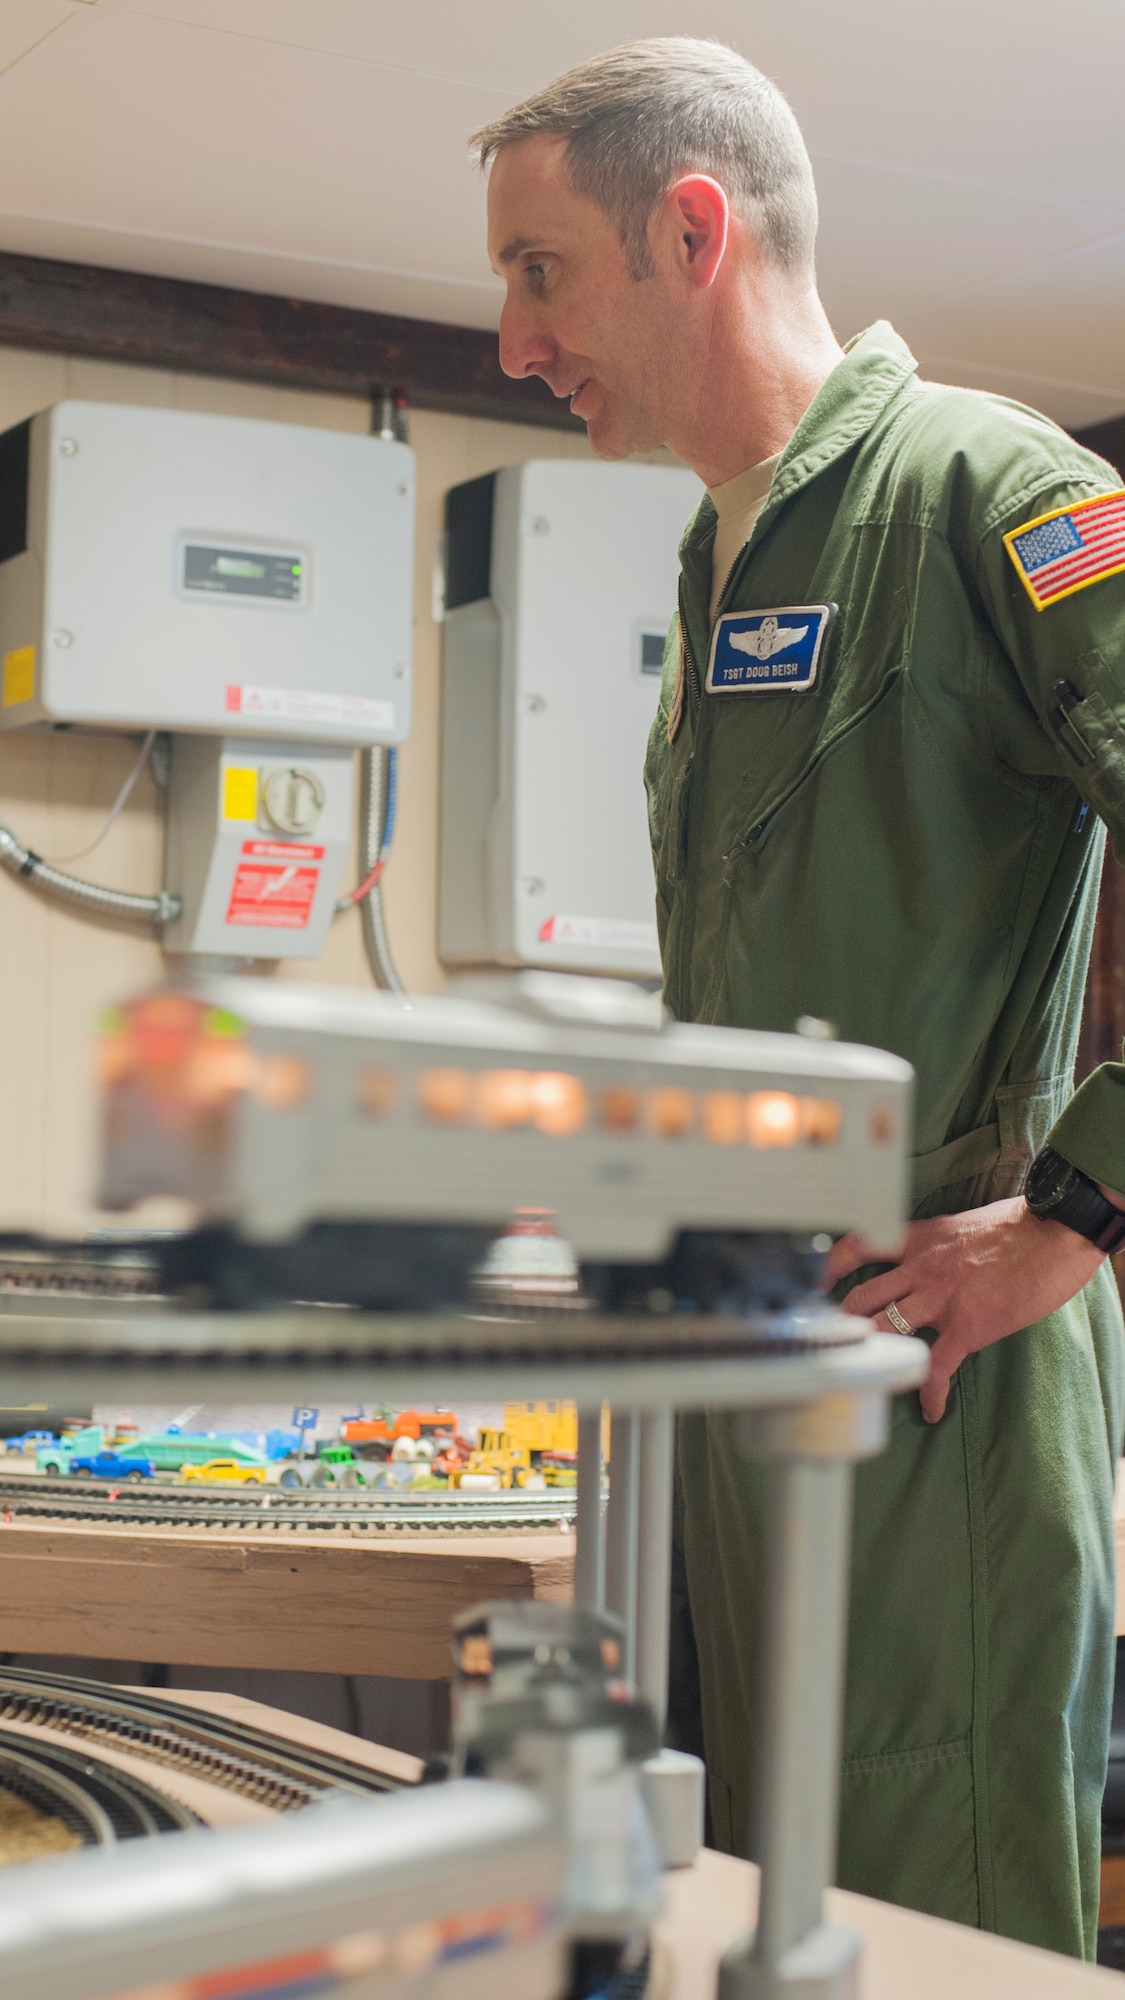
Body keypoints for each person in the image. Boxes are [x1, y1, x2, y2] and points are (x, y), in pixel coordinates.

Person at [472, 38, 1125, 1959]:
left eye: (538, 272)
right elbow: (811, 946)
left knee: (934, 1935)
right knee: (770, 1926)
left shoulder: (984, 488)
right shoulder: (729, 539)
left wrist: (1069, 1217)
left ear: (690, 230)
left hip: (937, 1386)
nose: (512, 341)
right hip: (764, 1355)